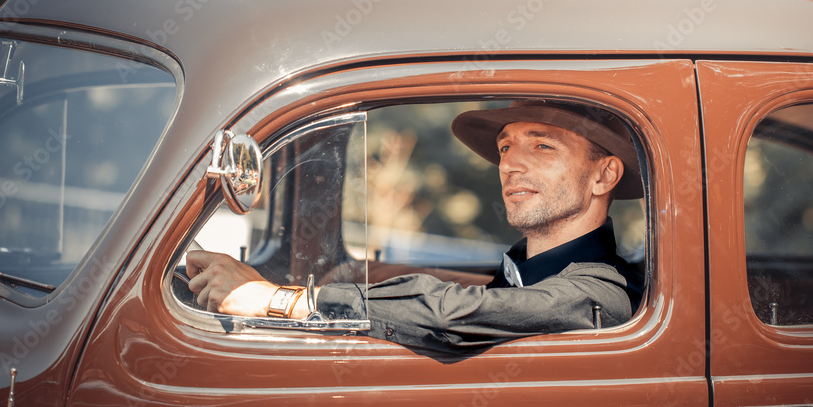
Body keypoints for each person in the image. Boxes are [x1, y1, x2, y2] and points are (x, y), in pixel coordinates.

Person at [187, 100, 644, 353]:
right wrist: (368, 276)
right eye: (506, 147)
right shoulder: (524, 271)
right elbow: (492, 295)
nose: (509, 165)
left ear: (603, 175)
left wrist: (280, 301)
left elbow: (452, 313)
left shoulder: (600, 295)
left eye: (542, 147)